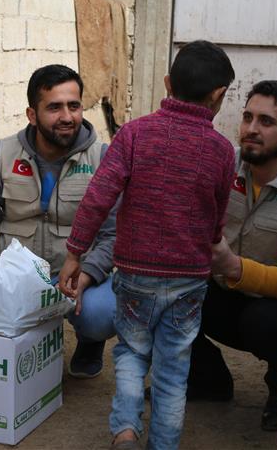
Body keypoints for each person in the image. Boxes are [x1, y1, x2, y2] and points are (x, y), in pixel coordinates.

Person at [59, 40, 237, 450]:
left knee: (131, 354)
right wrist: (207, 243)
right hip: (190, 280)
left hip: (136, 275)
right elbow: (217, 217)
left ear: (167, 83)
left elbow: (98, 198)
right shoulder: (223, 151)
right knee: (174, 369)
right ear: (218, 95)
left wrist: (74, 252)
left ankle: (124, 431)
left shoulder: (134, 134)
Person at [186, 80, 277, 432]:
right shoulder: (221, 164)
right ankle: (209, 381)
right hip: (220, 295)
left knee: (270, 322)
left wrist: (231, 265)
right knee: (161, 294)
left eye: (266, 122)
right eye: (248, 117)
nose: (251, 130)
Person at [0, 64, 117, 378]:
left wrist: (88, 275)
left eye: (74, 105)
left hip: (75, 275)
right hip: (14, 274)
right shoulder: (1, 154)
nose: (67, 116)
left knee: (100, 314)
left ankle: (89, 341)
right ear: (32, 114)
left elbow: (113, 234)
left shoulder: (103, 158)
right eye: (54, 107)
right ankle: (9, 347)